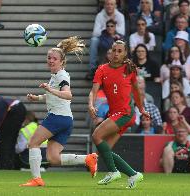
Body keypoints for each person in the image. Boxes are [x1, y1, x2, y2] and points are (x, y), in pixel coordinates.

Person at [20, 37, 97, 187]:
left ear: (61, 61)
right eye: (49, 57)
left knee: (33, 143)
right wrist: (39, 97)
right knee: (53, 158)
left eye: (54, 58)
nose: (51, 60)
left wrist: (49, 89)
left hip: (57, 117)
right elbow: (55, 95)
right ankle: (88, 159)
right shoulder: (57, 75)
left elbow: (68, 94)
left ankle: (37, 179)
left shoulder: (61, 75)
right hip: (66, 119)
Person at [88, 40, 149, 188]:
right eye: (114, 50)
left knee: (96, 136)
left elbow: (136, 91)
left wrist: (141, 109)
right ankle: (134, 175)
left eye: (120, 51)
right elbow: (93, 91)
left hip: (126, 113)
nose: (116, 54)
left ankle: (113, 172)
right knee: (105, 149)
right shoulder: (102, 69)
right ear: (110, 52)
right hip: (115, 113)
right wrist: (91, 104)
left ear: (125, 53)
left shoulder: (129, 69)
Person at [86, 0, 125, 80]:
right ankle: (92, 68)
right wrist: (110, 28)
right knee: (94, 40)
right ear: (104, 5)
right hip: (103, 38)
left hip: (115, 38)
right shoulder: (100, 15)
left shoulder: (120, 16)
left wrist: (107, 28)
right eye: (107, 4)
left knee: (121, 41)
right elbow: (95, 33)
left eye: (111, 4)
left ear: (115, 6)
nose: (109, 6)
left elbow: (122, 32)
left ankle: (121, 68)